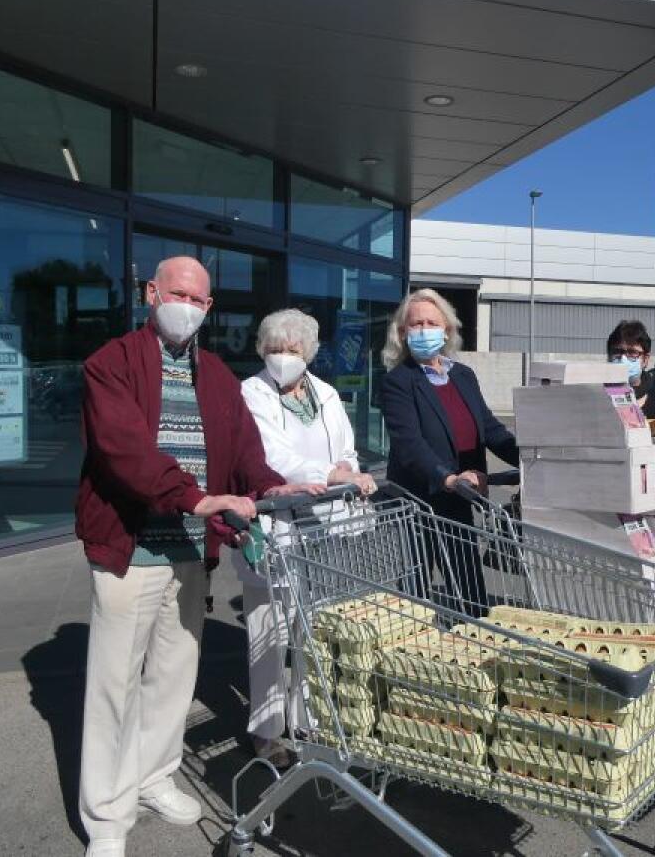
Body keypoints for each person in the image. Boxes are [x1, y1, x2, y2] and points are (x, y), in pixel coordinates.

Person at [75, 256, 316, 857]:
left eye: (200, 298)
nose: (187, 305)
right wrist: (198, 497)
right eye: (177, 292)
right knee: (114, 686)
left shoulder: (214, 376)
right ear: (151, 293)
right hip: (129, 551)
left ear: (210, 308)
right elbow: (123, 453)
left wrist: (268, 486)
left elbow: (243, 453)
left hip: (188, 552)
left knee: (173, 677)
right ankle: (106, 816)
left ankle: (154, 778)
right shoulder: (112, 364)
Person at [239, 308, 377, 767]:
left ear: (310, 353)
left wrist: (350, 473)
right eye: (275, 349)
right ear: (262, 350)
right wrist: (328, 474)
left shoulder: (328, 393)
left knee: (312, 630)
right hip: (277, 526)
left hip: (324, 527)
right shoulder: (252, 393)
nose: (283, 358)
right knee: (270, 633)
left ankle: (306, 719)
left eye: (293, 350)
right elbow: (272, 454)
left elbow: (347, 448)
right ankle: (266, 730)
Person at [380, 288, 518, 615]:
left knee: (470, 595)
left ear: (447, 330)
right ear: (402, 333)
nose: (424, 329)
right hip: (418, 503)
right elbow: (409, 444)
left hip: (460, 501)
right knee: (415, 598)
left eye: (431, 322)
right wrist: (448, 477)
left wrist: (530, 457)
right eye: (416, 324)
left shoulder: (463, 375)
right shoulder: (398, 382)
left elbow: (490, 429)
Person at [606, 320, 655, 430]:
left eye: (632, 352)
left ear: (645, 360)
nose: (623, 359)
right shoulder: (597, 397)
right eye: (617, 352)